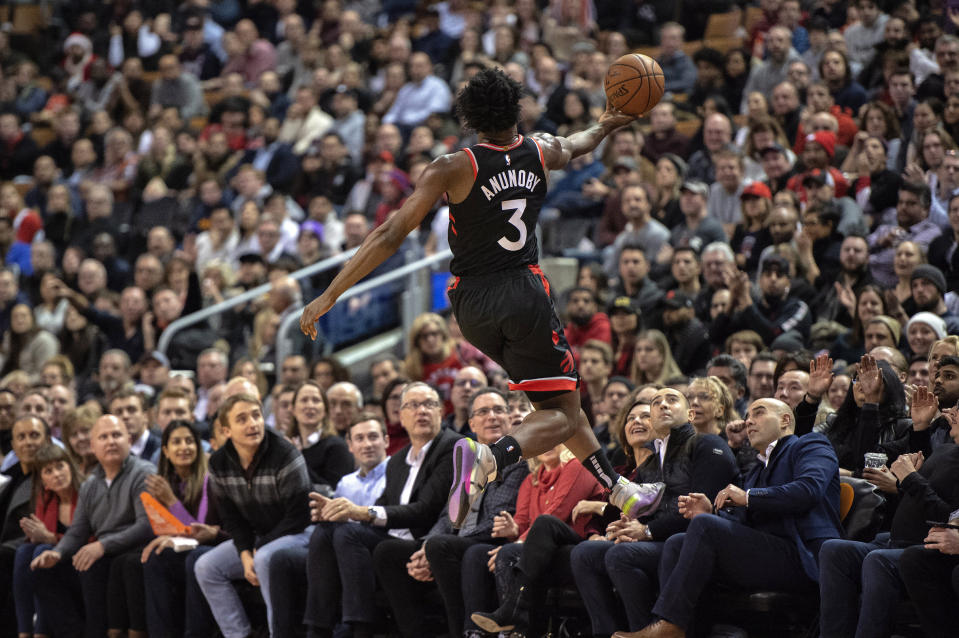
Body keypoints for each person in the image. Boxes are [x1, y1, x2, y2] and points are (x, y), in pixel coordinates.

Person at [298, 67, 664, 525]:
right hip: (521, 293)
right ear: (518, 109)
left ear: (470, 119)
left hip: (470, 305)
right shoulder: (541, 149)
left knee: (556, 405)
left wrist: (330, 293)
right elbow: (579, 143)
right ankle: (492, 457)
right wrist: (609, 122)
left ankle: (620, 490)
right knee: (565, 413)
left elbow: (391, 232)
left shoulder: (454, 166)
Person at [611, 398, 842, 638]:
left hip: (804, 556)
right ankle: (679, 629)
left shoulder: (811, 445)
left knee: (704, 527)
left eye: (758, 413)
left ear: (785, 420)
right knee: (678, 542)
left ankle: (670, 625)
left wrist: (748, 497)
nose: (749, 421)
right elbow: (743, 520)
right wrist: (710, 512)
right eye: (747, 416)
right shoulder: (757, 469)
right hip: (766, 553)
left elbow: (808, 490)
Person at [569, 388, 738, 636]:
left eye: (671, 400)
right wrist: (627, 526)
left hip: (695, 543)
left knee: (621, 555)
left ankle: (646, 631)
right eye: (656, 403)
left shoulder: (707, 444)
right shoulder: (650, 460)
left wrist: (646, 530)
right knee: (584, 553)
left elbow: (700, 512)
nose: (663, 406)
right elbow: (649, 510)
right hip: (661, 539)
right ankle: (605, 632)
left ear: (690, 414)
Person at [302, 382, 459, 638]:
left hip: (425, 539)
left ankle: (361, 628)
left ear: (441, 411)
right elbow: (386, 506)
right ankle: (317, 629)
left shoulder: (452, 446)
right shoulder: (399, 459)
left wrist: (358, 512)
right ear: (401, 415)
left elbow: (424, 510)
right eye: (413, 405)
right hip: (394, 537)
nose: (421, 411)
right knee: (327, 530)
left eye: (429, 404)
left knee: (349, 534)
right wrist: (336, 513)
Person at [194, 394, 312, 638]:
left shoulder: (285, 454)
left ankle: (278, 633)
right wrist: (245, 553)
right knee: (206, 566)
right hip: (260, 539)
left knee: (265, 558)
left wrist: (257, 549)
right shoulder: (218, 463)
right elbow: (232, 519)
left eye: (256, 415)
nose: (253, 423)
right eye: (242, 419)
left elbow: (300, 516)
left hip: (301, 533)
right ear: (226, 430)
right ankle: (238, 634)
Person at [30, 414, 154, 638]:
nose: (111, 441)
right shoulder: (90, 484)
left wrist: (102, 546)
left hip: (134, 551)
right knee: (42, 571)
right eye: (103, 437)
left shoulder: (143, 472)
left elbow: (145, 526)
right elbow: (78, 531)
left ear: (129, 439)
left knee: (96, 565)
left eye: (117, 435)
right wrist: (57, 554)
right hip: (105, 554)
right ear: (93, 447)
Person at [138, 419, 222, 638]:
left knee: (195, 558)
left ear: (199, 446)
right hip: (186, 547)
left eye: (189, 441)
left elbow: (197, 530)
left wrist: (171, 501)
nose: (184, 447)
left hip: (214, 544)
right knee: (154, 556)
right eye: (176, 442)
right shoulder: (167, 481)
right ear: (165, 450)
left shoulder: (209, 478)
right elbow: (159, 527)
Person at [12, 443, 82, 638]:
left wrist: (51, 538)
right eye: (48, 471)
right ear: (44, 481)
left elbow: (90, 538)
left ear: (71, 466)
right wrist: (39, 536)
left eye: (60, 466)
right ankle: (25, 631)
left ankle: (41, 632)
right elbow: (43, 539)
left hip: (83, 561)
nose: (57, 474)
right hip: (56, 562)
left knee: (41, 550)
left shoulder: (86, 492)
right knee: (24, 551)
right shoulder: (46, 498)